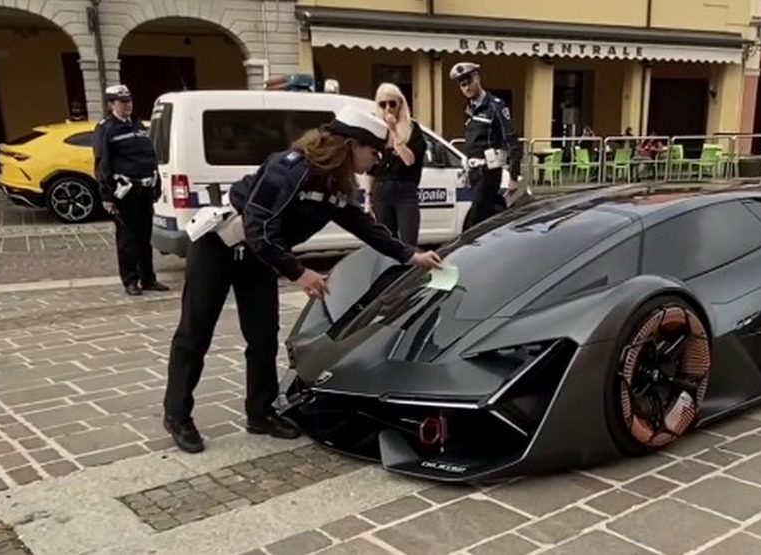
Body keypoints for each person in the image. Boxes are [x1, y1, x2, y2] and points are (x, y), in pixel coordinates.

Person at [162, 105, 443, 454]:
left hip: (259, 255)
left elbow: (362, 225)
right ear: (352, 145)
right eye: (372, 151)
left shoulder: (336, 183)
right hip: (219, 246)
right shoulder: (291, 167)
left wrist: (409, 254)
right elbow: (257, 225)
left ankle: (260, 412)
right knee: (195, 332)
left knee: (263, 336)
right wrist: (299, 272)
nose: (375, 160)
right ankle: (177, 415)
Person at [92, 84, 169, 296]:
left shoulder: (138, 125)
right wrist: (106, 195)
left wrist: (157, 184)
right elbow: (102, 163)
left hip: (144, 190)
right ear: (111, 104)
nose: (128, 105)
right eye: (122, 102)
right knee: (127, 239)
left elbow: (149, 157)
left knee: (145, 237)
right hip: (124, 193)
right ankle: (130, 281)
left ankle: (148, 279)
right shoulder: (107, 128)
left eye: (129, 101)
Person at [448, 62, 522, 231]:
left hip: (489, 171)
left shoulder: (495, 106)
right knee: (483, 221)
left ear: (477, 78)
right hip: (474, 173)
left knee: (474, 221)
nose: (466, 88)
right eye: (462, 85)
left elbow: (512, 140)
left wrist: (513, 176)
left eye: (469, 82)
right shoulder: (469, 109)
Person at [367, 83, 427, 245]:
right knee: (387, 243)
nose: (388, 108)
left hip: (405, 192)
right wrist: (368, 197)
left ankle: (409, 270)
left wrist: (394, 131)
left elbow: (409, 160)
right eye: (383, 104)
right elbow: (371, 169)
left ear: (400, 104)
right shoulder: (375, 129)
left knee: (408, 243)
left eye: (392, 103)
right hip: (381, 192)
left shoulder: (412, 128)